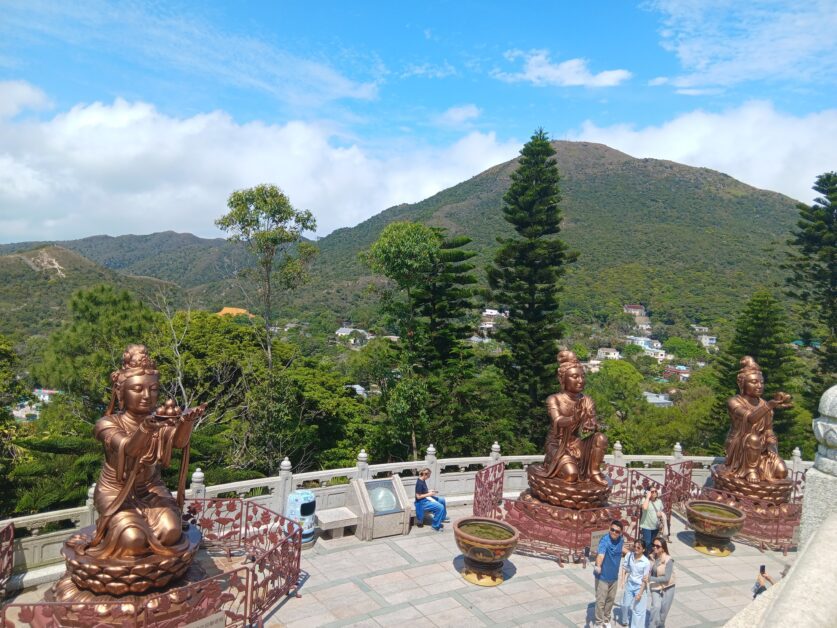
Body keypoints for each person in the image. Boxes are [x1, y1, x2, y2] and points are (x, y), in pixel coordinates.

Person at [76, 345, 202, 559]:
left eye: (153, 390)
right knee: (133, 540)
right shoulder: (107, 424)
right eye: (138, 389)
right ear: (121, 392)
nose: (147, 396)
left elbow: (178, 442)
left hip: (150, 488)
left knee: (172, 532)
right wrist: (146, 428)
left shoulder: (158, 422)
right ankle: (112, 532)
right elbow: (130, 448)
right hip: (116, 492)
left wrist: (187, 423)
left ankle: (159, 567)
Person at [536, 350, 608, 486]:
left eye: (582, 376)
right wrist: (573, 419)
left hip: (578, 441)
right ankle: (552, 464)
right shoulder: (554, 399)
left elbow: (592, 422)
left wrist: (592, 425)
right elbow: (558, 421)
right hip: (558, 443)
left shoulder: (586, 399)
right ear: (562, 379)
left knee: (601, 438)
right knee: (571, 475)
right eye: (575, 377)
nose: (580, 381)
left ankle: (594, 473)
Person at [724, 357, 792, 485]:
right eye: (754, 382)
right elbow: (750, 418)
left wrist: (772, 446)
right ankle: (750, 470)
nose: (759, 386)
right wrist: (769, 406)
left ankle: (760, 469)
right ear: (742, 384)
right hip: (740, 445)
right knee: (753, 438)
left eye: (761, 382)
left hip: (762, 448)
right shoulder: (734, 402)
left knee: (781, 472)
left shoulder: (764, 404)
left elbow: (768, 430)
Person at [594, 519, 625, 628]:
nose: (614, 532)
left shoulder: (621, 540)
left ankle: (606, 619)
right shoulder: (605, 540)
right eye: (612, 530)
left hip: (614, 577)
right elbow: (601, 555)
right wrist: (598, 566)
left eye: (617, 531)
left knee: (611, 600)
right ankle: (598, 623)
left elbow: (622, 549)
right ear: (609, 529)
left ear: (620, 533)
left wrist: (634, 555)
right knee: (600, 601)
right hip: (602, 576)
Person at [620, 538, 650, 627]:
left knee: (638, 611)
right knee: (625, 605)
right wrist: (622, 580)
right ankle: (625, 620)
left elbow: (645, 579)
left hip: (640, 586)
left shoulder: (646, 562)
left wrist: (640, 593)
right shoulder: (629, 556)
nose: (636, 549)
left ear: (643, 550)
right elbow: (625, 567)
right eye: (635, 546)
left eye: (639, 547)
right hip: (630, 584)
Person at [648, 537, 676, 627]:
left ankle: (661, 625)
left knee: (663, 612)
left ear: (663, 548)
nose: (654, 547)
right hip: (655, 585)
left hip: (668, 586)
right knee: (656, 607)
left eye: (657, 546)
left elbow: (667, 578)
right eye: (653, 545)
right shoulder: (651, 557)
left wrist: (651, 578)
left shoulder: (668, 560)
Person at [640, 487, 664, 554]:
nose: (654, 493)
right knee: (647, 542)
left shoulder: (659, 501)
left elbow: (661, 511)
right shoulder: (645, 499)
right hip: (646, 525)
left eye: (655, 491)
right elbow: (644, 508)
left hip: (655, 526)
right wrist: (648, 497)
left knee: (652, 542)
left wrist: (660, 514)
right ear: (649, 493)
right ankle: (645, 556)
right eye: (652, 491)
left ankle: (649, 555)